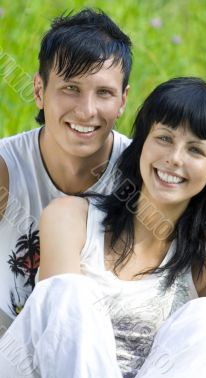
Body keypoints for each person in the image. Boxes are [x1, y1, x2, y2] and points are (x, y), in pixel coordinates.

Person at [0, 77, 206, 378]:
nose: (175, 158)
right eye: (164, 138)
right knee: (68, 292)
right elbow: (59, 345)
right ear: (141, 144)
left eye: (195, 149)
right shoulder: (71, 216)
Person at [0, 8, 132, 331]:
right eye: (71, 88)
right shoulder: (7, 167)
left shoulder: (140, 171)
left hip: (105, 355)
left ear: (123, 101)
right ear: (39, 91)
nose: (87, 111)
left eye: (103, 93)